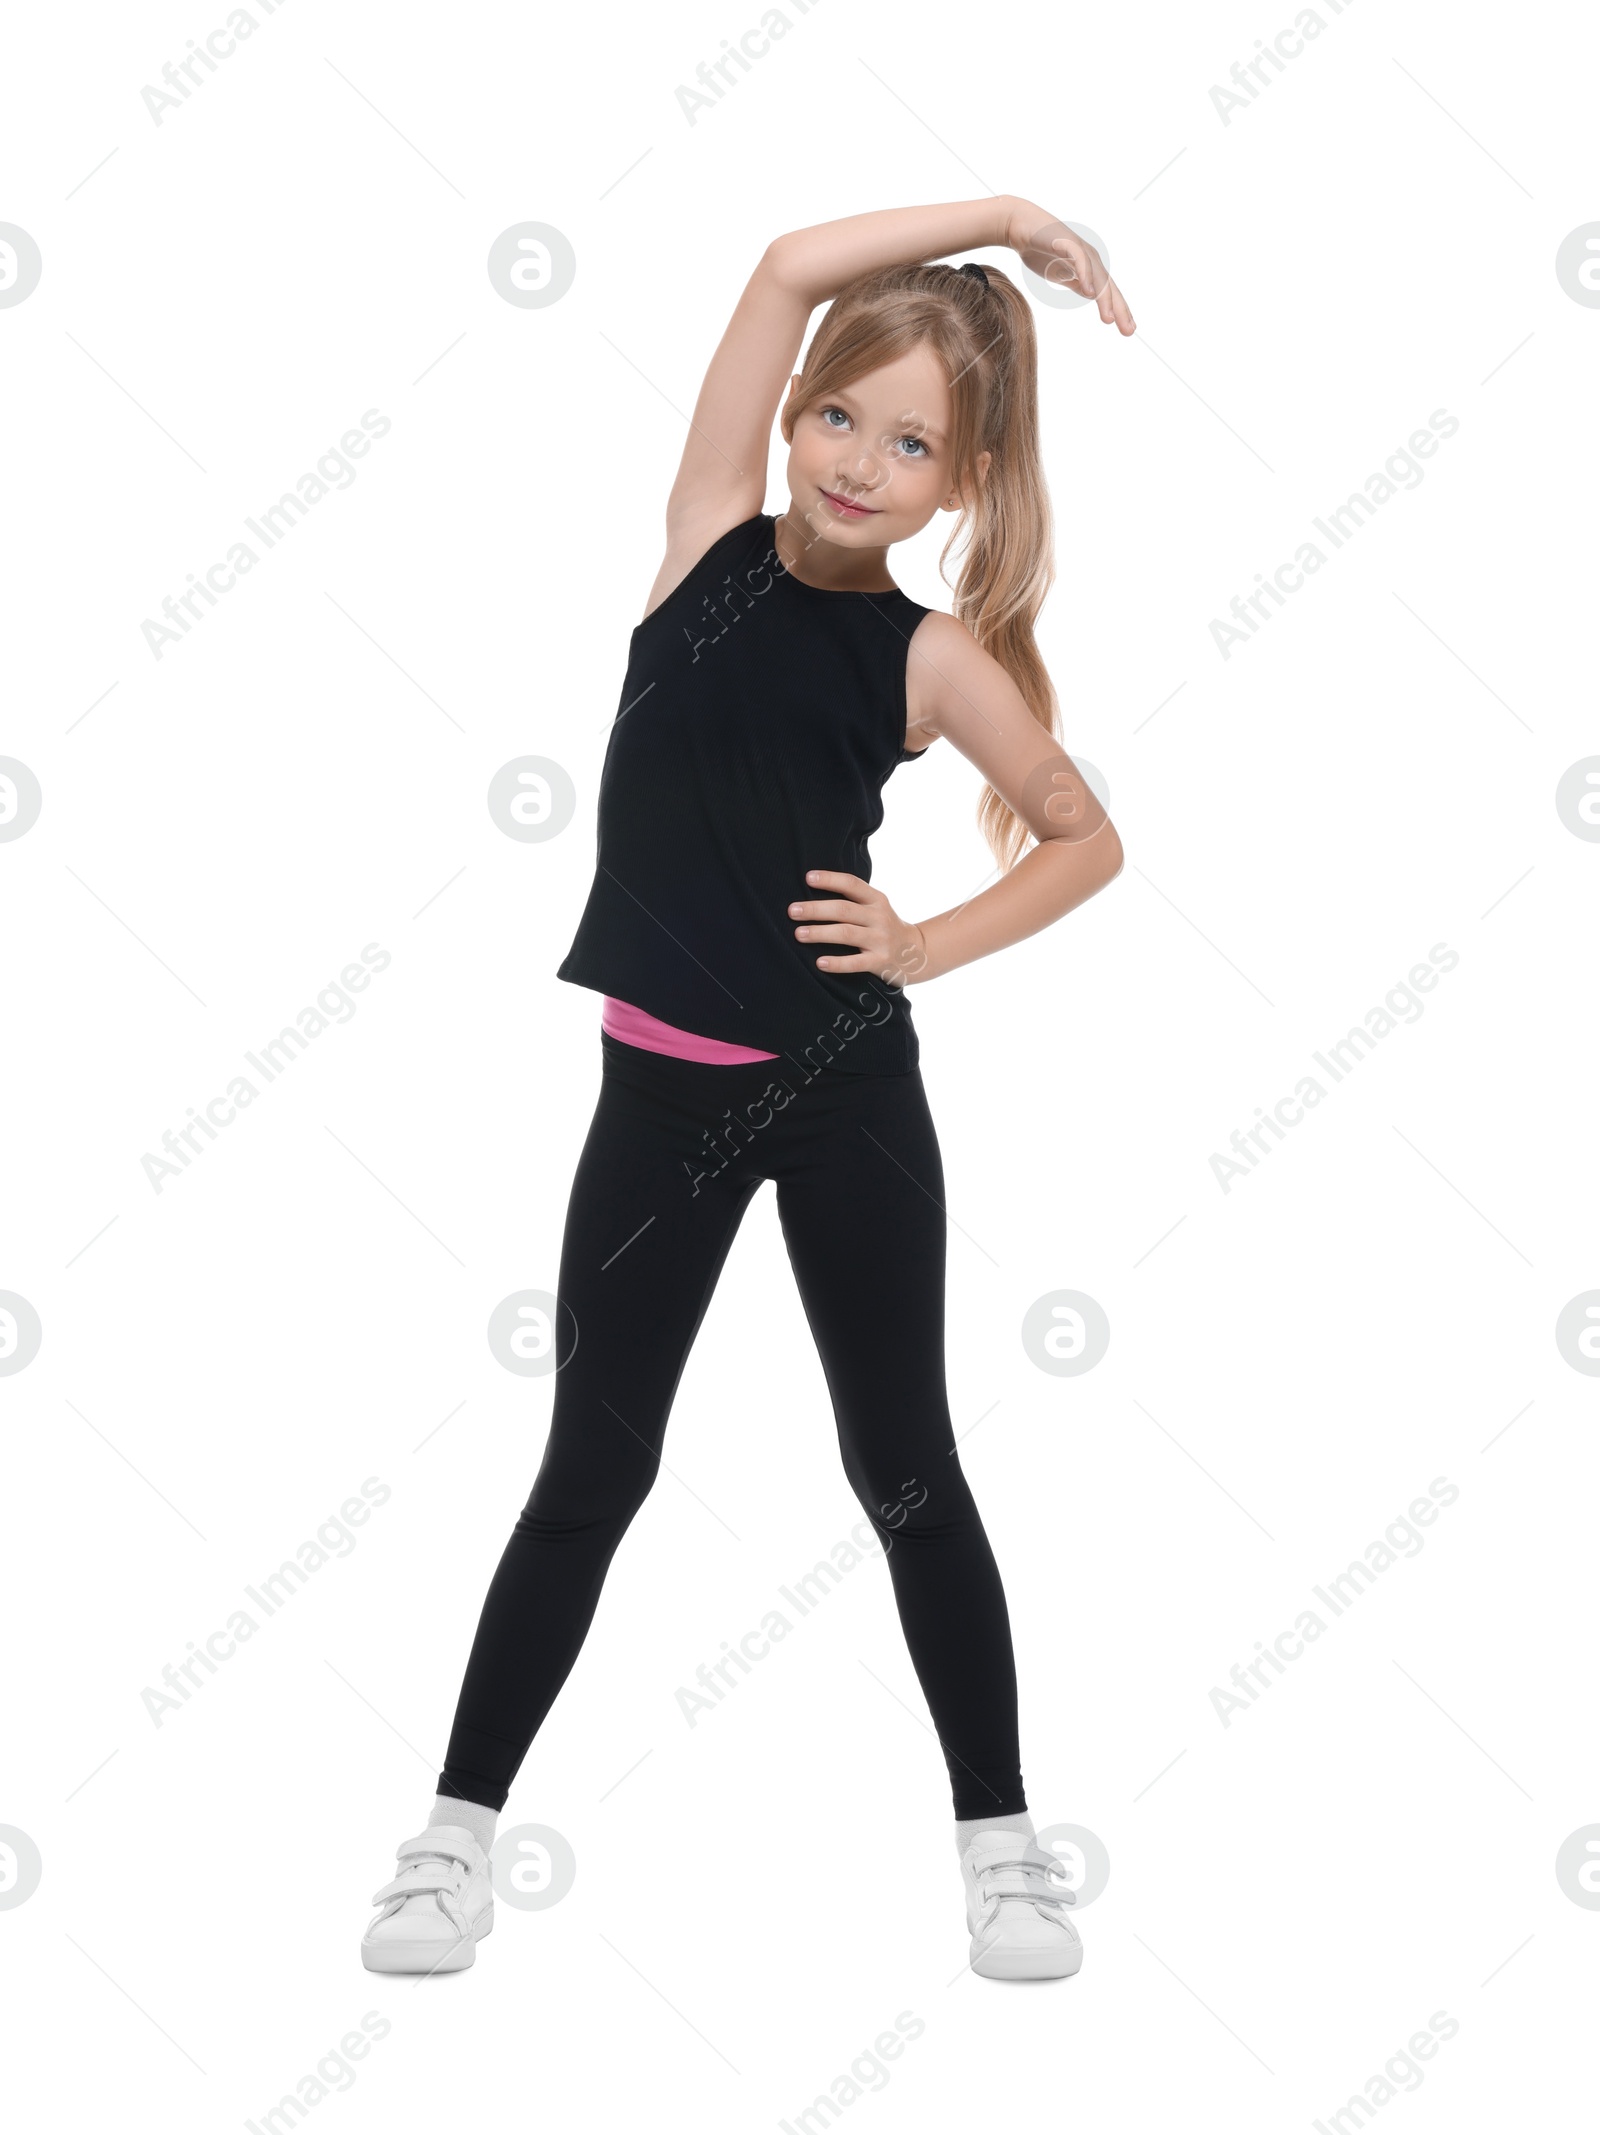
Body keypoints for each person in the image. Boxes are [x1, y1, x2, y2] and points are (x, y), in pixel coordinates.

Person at [361, 196, 1134, 1983]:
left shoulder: (931, 656)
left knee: (905, 1467)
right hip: (654, 1100)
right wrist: (1011, 220)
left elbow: (1088, 838)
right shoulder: (706, 540)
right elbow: (787, 262)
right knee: (594, 1468)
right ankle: (454, 1837)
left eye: (916, 442)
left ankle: (1007, 1849)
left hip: (846, 1091)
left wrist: (927, 942)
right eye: (841, 414)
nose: (862, 461)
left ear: (966, 476)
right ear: (793, 412)